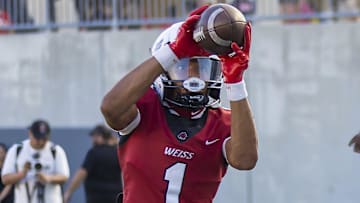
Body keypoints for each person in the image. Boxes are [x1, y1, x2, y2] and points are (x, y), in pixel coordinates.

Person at [101, 4, 258, 203]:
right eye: (184, 67)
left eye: (202, 68)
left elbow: (245, 160)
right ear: (164, 68)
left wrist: (235, 82)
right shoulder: (146, 107)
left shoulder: (223, 122)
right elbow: (110, 108)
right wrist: (173, 51)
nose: (195, 78)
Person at [1, 119, 70, 203]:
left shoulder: (55, 151)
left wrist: (48, 178)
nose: (40, 142)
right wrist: (22, 174)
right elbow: (5, 179)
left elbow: (64, 176)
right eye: (37, 138)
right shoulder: (17, 150)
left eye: (44, 139)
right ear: (30, 133)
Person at [63, 124, 122, 203]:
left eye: (94, 136)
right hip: (115, 197)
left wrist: (69, 191)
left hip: (96, 198)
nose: (92, 139)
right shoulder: (117, 152)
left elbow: (82, 173)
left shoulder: (94, 153)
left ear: (100, 136)